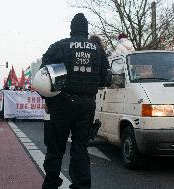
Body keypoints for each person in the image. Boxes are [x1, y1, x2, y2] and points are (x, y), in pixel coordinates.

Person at [41, 13, 109, 189]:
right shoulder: (98, 51)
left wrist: (49, 99)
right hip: (86, 105)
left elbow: (43, 77)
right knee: (80, 147)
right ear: (86, 30)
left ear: (71, 29)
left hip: (61, 103)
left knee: (55, 147)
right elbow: (104, 80)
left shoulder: (59, 46)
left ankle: (51, 183)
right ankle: (81, 185)